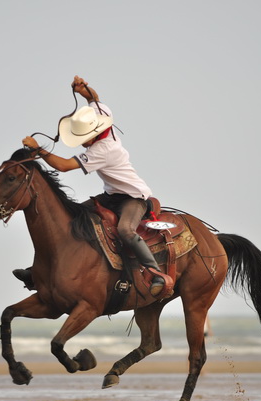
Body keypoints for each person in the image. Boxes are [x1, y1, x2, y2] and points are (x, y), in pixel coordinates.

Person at [16, 75, 171, 297]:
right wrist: (83, 90)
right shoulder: (103, 116)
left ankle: (155, 272)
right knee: (71, 219)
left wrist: (38, 149)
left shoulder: (103, 151)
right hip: (111, 195)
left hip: (133, 198)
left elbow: (64, 166)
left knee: (125, 231)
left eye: (85, 138)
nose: (82, 142)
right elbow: (95, 99)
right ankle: (39, 270)